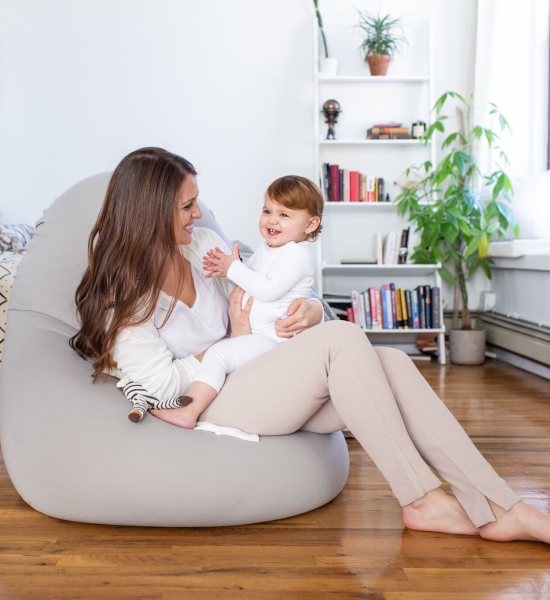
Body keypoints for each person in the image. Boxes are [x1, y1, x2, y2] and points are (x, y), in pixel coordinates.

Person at [70, 146, 550, 544]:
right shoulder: (123, 292)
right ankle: (422, 497)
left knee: (393, 363)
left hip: (260, 371)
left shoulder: (201, 247)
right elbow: (157, 384)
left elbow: (280, 290)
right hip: (210, 397)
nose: (199, 213)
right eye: (187, 206)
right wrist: (230, 341)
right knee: (342, 343)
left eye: (197, 201)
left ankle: (499, 504)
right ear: (150, 212)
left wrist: (314, 312)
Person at [131, 175, 322, 428]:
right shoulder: (271, 248)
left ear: (310, 225)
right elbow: (248, 277)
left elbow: (265, 288)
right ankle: (190, 408)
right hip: (258, 340)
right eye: (267, 211)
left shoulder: (296, 254)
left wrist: (315, 309)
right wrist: (232, 268)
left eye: (284, 215)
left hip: (274, 339)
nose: (272, 220)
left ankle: (189, 410)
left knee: (219, 354)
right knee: (220, 354)